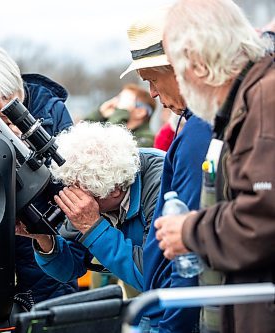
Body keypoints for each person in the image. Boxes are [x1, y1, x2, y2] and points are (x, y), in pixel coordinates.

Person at [155, 0, 274, 332]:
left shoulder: (265, 102)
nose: (180, 83)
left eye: (178, 70)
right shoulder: (254, 97)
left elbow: (264, 219)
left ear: (197, 63)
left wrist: (190, 231)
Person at [0, 42, 77, 307]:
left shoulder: (51, 111)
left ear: (19, 82)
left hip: (47, 250)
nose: (2, 107)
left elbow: (73, 180)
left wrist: (25, 152)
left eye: (10, 97)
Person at [119, 7, 213, 332]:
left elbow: (188, 253)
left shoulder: (199, 131)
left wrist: (172, 325)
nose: (154, 94)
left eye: (153, 80)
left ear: (178, 68)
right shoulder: (194, 125)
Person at [16, 122, 163, 293]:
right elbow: (69, 269)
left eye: (78, 189)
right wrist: (44, 238)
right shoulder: (93, 183)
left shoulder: (162, 183)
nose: (72, 195)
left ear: (114, 189)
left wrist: (92, 227)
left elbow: (153, 274)